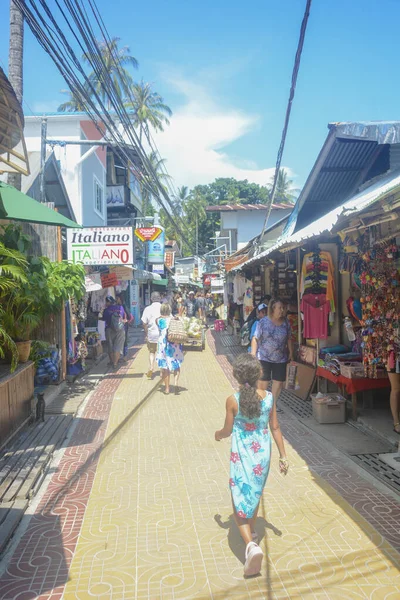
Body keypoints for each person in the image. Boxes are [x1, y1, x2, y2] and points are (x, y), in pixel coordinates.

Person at [215, 354, 289, 577]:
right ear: (259, 375)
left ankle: (250, 546)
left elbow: (227, 430)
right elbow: (275, 427)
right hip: (262, 456)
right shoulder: (268, 398)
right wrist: (283, 456)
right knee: (254, 495)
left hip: (241, 456)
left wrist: (217, 435)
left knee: (238, 498)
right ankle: (253, 532)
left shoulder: (233, 400)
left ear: (237, 376)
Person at [251, 298, 294, 402]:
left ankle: (272, 405)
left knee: (278, 382)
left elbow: (289, 338)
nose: (282, 310)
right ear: (273, 309)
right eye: (280, 308)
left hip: (280, 358)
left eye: (283, 308)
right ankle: (261, 404)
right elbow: (255, 338)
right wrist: (253, 354)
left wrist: (291, 353)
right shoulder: (263, 322)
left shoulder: (286, 322)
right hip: (263, 357)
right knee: (263, 383)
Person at [156, 303, 184, 395]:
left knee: (165, 367)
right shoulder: (174, 319)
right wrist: (179, 315)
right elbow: (181, 322)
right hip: (174, 343)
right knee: (176, 363)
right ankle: (176, 382)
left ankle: (167, 388)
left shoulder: (158, 320)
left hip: (163, 344)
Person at [102, 296, 126, 369]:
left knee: (110, 346)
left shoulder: (106, 310)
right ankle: (115, 363)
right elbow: (125, 317)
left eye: (106, 302)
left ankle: (112, 361)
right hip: (120, 329)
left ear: (108, 302)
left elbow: (104, 319)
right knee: (118, 346)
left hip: (109, 329)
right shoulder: (120, 308)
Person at [141, 291, 162, 379]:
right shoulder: (164, 307)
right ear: (160, 298)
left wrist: (146, 333)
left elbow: (144, 322)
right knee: (162, 353)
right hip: (162, 335)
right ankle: (162, 371)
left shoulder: (147, 309)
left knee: (152, 352)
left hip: (152, 334)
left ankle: (151, 367)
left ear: (151, 299)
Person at [116, 292, 134, 361]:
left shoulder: (123, 306)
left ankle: (125, 356)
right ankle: (121, 356)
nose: (116, 300)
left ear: (120, 299)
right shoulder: (117, 306)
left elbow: (129, 316)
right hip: (118, 325)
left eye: (117, 298)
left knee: (124, 340)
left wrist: (125, 320)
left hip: (124, 326)